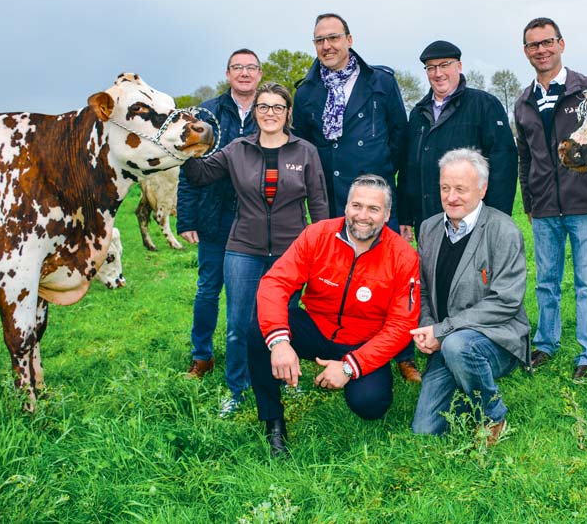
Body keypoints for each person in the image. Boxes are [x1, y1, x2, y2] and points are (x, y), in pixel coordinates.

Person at [181, 83, 329, 417]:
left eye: (278, 107)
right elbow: (202, 174)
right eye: (264, 107)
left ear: (287, 113)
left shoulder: (305, 151)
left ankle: (285, 383)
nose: (270, 113)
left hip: (292, 252)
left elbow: (319, 202)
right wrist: (185, 150)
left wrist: (322, 247)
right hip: (243, 248)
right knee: (239, 324)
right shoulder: (237, 149)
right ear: (256, 112)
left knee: (284, 323)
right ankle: (238, 389)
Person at [291, 13, 420, 383]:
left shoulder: (379, 81)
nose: (327, 46)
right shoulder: (307, 90)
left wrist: (380, 175)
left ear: (350, 38)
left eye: (333, 38)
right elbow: (304, 143)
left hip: (375, 193)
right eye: (319, 40)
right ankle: (334, 343)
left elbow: (400, 135)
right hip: (332, 197)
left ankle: (403, 353)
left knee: (391, 274)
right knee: (336, 273)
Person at [253, 174, 420, 456]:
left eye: (373, 209)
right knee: (259, 330)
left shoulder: (404, 256)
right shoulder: (317, 234)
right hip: (317, 326)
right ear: (346, 206)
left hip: (364, 341)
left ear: (387, 214)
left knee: (371, 406)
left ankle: (352, 372)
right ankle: (273, 421)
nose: (362, 216)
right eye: (357, 206)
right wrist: (280, 342)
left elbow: (401, 325)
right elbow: (275, 283)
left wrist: (348, 367)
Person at [411, 149, 529, 445]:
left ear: (482, 189)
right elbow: (423, 289)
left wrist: (443, 330)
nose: (451, 197)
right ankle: (468, 386)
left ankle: (492, 416)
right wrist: (428, 328)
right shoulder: (428, 229)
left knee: (457, 345)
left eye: (461, 189)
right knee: (425, 430)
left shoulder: (504, 230)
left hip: (497, 338)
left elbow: (506, 301)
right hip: (445, 341)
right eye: (445, 188)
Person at [513, 17, 587, 382]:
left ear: (561, 44)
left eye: (547, 42)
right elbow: (525, 157)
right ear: (526, 52)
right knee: (546, 280)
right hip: (544, 206)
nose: (542, 50)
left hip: (585, 202)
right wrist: (528, 204)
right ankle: (546, 343)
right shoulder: (523, 103)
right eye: (534, 45)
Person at [177, 48, 262, 380]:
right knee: (208, 288)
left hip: (255, 218)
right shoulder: (207, 113)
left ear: (259, 74)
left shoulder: (270, 111)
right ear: (227, 74)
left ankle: (253, 352)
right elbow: (190, 167)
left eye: (250, 68)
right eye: (237, 67)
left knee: (252, 292)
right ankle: (202, 355)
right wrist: (187, 219)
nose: (244, 73)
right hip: (214, 215)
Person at [398, 40, 517, 241]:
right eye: (431, 68)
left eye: (445, 65)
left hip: (471, 221)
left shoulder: (484, 105)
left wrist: (497, 220)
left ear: (459, 66)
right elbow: (409, 168)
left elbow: (503, 165)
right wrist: (406, 216)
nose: (438, 73)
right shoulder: (418, 114)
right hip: (428, 221)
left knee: (471, 271)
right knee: (430, 271)